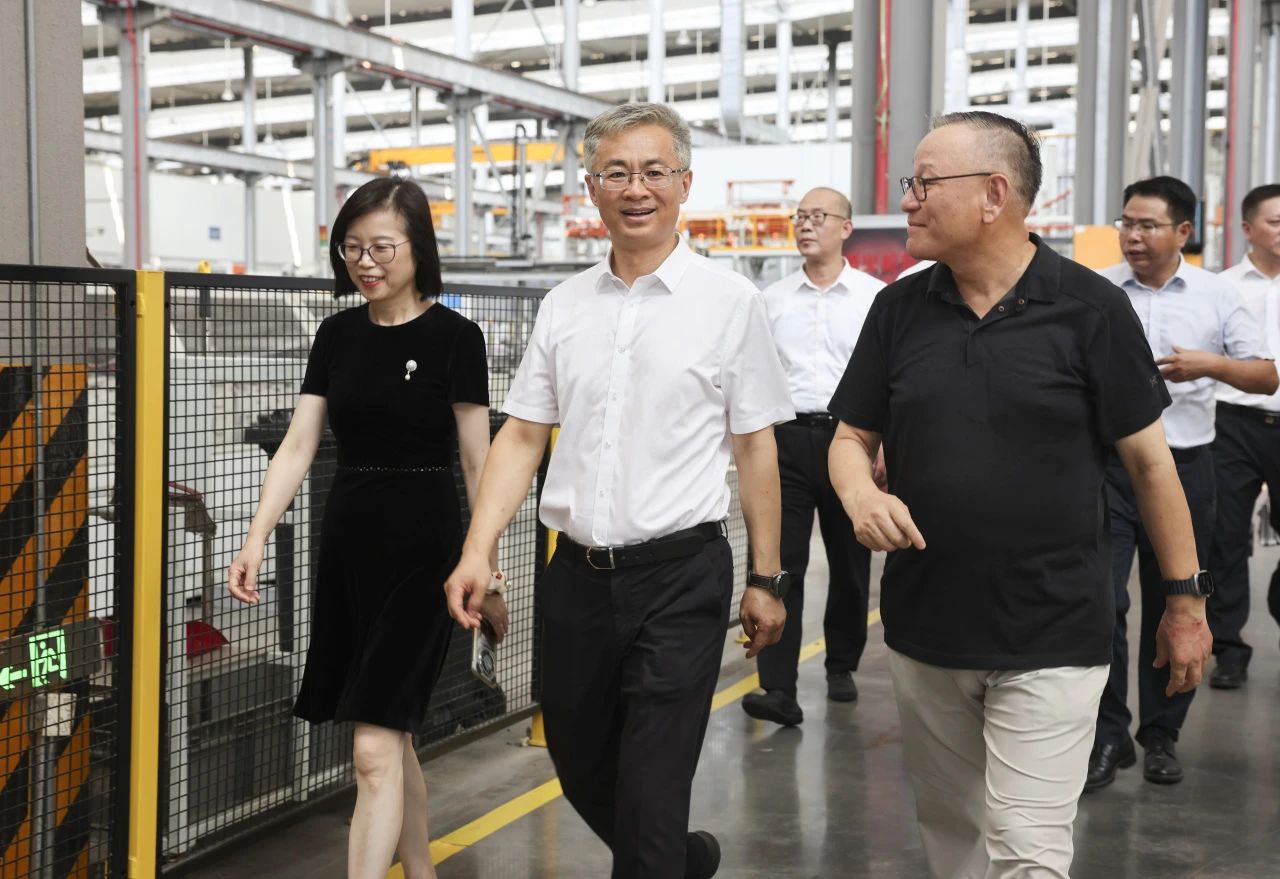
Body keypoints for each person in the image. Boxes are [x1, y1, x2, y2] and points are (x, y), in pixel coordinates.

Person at [828, 111, 1212, 879]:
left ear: (994, 194)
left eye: (924, 183)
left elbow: (1151, 466)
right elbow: (849, 438)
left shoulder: (1090, 310)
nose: (907, 200)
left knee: (1029, 849)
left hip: (1055, 628)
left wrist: (1185, 604)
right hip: (927, 626)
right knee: (955, 837)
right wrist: (859, 495)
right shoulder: (898, 310)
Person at [443, 102, 793, 879]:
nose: (637, 188)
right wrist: (477, 548)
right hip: (576, 577)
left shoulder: (730, 302)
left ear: (684, 184)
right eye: (617, 172)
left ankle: (659, 855)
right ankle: (677, 859)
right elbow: (522, 435)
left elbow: (755, 445)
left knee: (652, 785)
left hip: (681, 576)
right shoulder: (565, 306)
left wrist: (766, 577)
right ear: (591, 187)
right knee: (577, 755)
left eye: (654, 171)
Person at [227, 177, 507, 879]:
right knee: (393, 735)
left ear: (418, 248)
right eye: (352, 248)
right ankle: (422, 870)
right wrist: (256, 536)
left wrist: (486, 559)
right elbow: (298, 444)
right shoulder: (337, 335)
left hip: (426, 551)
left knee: (373, 750)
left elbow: (478, 461)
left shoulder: (457, 338)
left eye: (382, 246)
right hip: (349, 545)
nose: (365, 261)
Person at [1087, 176, 1275, 789]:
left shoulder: (1217, 295)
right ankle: (1109, 735)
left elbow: (1265, 375)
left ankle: (1162, 733)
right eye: (1126, 223)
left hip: (1187, 468)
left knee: (1178, 600)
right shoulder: (1098, 291)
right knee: (1103, 600)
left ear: (1184, 231)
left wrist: (1208, 365)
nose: (1132, 236)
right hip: (1111, 471)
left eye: (1147, 225)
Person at [743, 187, 883, 726]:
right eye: (799, 217)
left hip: (853, 440)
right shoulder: (771, 300)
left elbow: (888, 379)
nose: (805, 225)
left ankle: (841, 664)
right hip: (785, 443)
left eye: (818, 216)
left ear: (845, 228)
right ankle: (778, 687)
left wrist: (886, 446)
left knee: (851, 565)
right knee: (779, 565)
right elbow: (755, 378)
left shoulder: (873, 298)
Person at [1207, 183, 1280, 689]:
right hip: (1232, 423)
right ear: (1248, 229)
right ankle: (1229, 648)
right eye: (1275, 222)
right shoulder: (1222, 288)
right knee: (1225, 538)